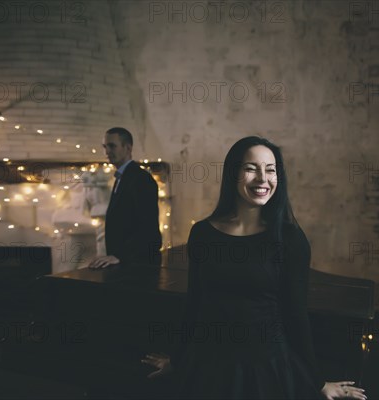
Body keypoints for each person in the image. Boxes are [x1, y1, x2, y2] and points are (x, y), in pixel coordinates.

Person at [142, 137, 365, 399]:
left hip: (265, 368)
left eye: (270, 169)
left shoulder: (290, 239)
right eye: (251, 168)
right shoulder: (203, 233)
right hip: (208, 364)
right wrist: (177, 361)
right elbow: (196, 303)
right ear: (233, 174)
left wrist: (318, 383)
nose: (263, 178)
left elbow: (296, 316)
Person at [88, 127, 162, 269]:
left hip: (137, 266)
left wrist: (120, 256)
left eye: (112, 146)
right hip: (127, 263)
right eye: (105, 146)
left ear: (128, 148)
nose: (107, 151)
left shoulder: (141, 179)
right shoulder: (123, 176)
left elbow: (148, 228)